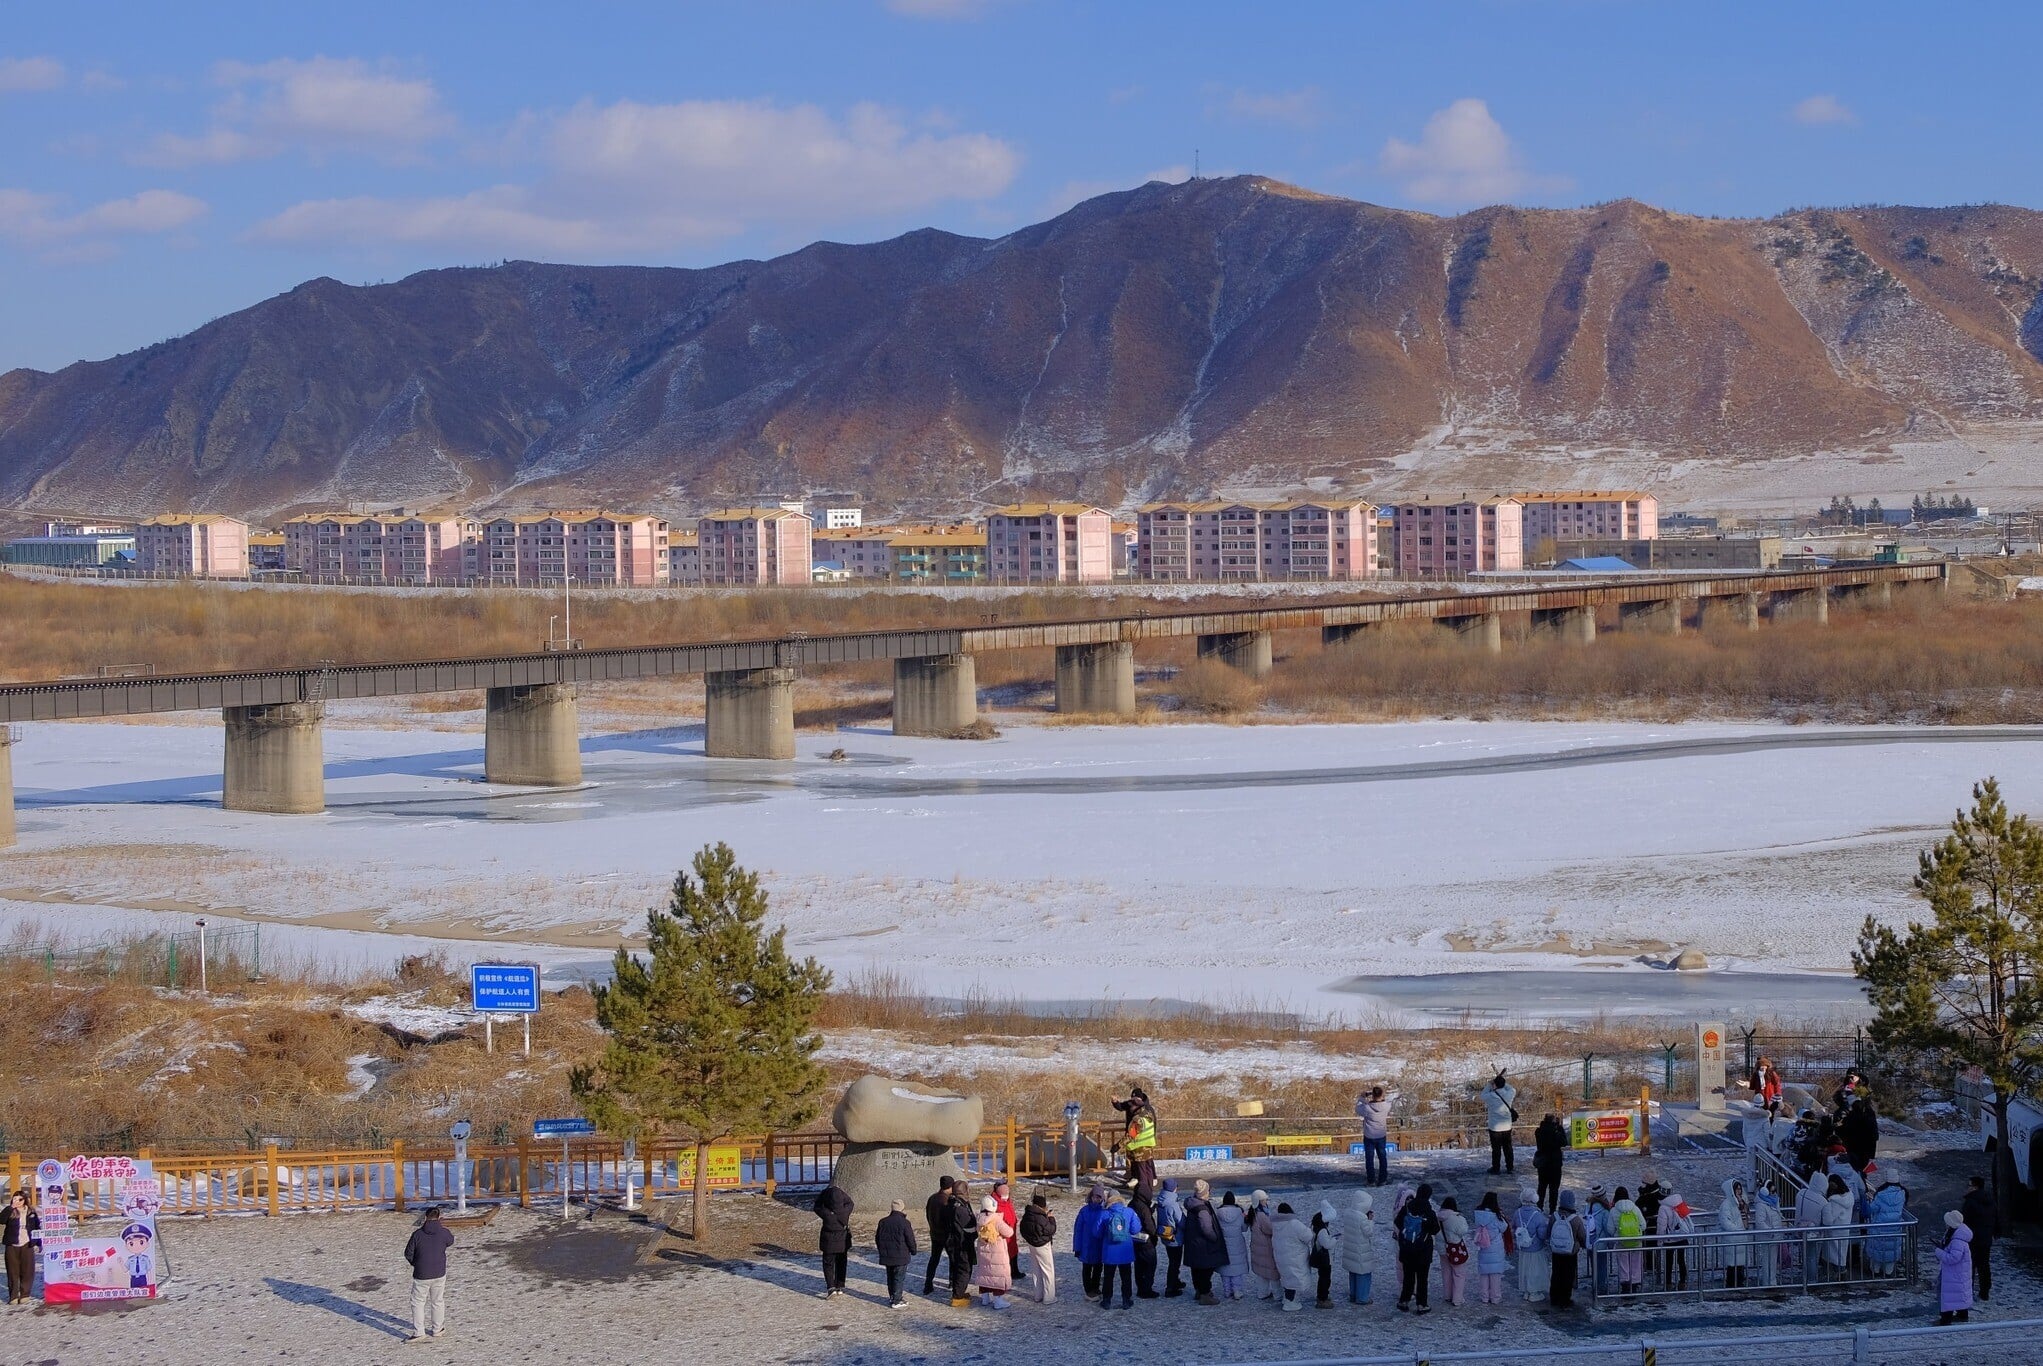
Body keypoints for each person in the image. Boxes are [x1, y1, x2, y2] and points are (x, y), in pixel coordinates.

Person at [402, 1205, 455, 1344]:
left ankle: (419, 1332)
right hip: (439, 1272)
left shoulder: (417, 1234)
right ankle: (438, 1329)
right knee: (437, 1301)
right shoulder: (444, 1233)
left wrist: (416, 1263)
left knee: (418, 1302)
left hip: (421, 1274)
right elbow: (450, 1241)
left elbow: (408, 1253)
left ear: (425, 1218)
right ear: (439, 1217)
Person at [1393, 1182, 1440, 1314]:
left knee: (1408, 1276)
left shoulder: (1407, 1207)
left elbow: (1397, 1222)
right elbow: (1435, 1229)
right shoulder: (1428, 1211)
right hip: (1423, 1250)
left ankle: (1404, 1301)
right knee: (1422, 1278)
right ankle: (1421, 1304)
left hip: (1407, 1248)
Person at [1180, 1179, 1227, 1305]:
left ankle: (1199, 1290)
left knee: (1196, 1268)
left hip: (1193, 1242)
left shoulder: (1192, 1203)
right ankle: (1205, 1293)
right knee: (1206, 1269)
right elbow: (1206, 1228)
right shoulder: (1202, 1209)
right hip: (1203, 1244)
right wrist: (1215, 1238)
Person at [1111, 1087, 1159, 1197]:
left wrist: (1118, 1145)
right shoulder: (1147, 1114)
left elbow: (1131, 1135)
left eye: (1132, 1107)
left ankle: (1143, 1193)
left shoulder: (1138, 1119)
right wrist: (1115, 1102)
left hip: (1139, 1149)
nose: (1130, 1109)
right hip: (1147, 1145)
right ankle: (1148, 1189)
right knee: (1147, 1170)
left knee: (1142, 1173)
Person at [1098, 1192, 1140, 1309]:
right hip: (1125, 1250)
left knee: (1108, 1276)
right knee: (1126, 1276)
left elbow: (1096, 1233)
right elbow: (1135, 1229)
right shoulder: (1129, 1212)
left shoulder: (1104, 1214)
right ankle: (1126, 1300)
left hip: (1109, 1250)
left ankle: (1106, 1300)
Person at [812, 1183, 855, 1298]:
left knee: (828, 1264)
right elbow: (850, 1202)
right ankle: (840, 1285)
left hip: (828, 1242)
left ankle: (831, 1286)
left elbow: (817, 1205)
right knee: (842, 1263)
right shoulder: (845, 1211)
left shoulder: (825, 1213)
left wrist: (825, 1193)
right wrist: (840, 1191)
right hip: (842, 1241)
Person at [972, 1194, 1014, 1309]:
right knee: (997, 1274)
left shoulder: (979, 1219)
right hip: (997, 1252)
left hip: (983, 1250)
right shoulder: (996, 1220)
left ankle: (985, 1298)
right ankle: (998, 1300)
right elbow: (1009, 1232)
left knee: (985, 1273)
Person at [876, 1199, 919, 1309]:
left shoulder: (883, 1222)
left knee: (890, 1277)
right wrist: (913, 1250)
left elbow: (878, 1238)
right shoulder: (905, 1223)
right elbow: (910, 1239)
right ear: (902, 1209)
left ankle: (892, 1296)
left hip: (887, 1255)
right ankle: (897, 1300)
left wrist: (882, 1250)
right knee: (898, 1278)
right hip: (901, 1255)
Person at [1272, 1201, 1313, 1312]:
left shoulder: (1275, 1224)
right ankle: (1291, 1302)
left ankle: (1287, 1298)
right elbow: (1308, 1236)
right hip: (1295, 1257)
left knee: (1287, 1278)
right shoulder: (1294, 1223)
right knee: (1295, 1279)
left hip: (1282, 1258)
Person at [1961, 1175, 1996, 1303]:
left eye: (1969, 1185)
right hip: (1986, 1238)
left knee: (1970, 1265)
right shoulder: (1990, 1200)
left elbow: (1964, 1221)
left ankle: (1967, 1291)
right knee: (1984, 1265)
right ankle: (1984, 1292)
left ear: (1975, 1187)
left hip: (1972, 1239)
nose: (1967, 1187)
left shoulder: (1970, 1202)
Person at [1470, 1191, 1509, 1305]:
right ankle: (1495, 1297)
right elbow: (1504, 1227)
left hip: (1483, 1248)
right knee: (1495, 1275)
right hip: (1495, 1249)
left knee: (1484, 1274)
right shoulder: (1496, 1216)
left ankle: (1484, 1297)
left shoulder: (1478, 1215)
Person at [1936, 1209, 1974, 1324]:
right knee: (1959, 1295)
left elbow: (1953, 1258)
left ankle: (1945, 1319)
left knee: (1949, 1296)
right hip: (1958, 1273)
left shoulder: (1957, 1240)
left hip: (1953, 1274)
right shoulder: (1959, 1235)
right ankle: (1962, 1315)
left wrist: (1939, 1252)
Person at [1020, 1192, 1058, 1303]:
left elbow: (1022, 1229)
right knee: (1047, 1271)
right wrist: (1051, 1218)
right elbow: (1050, 1230)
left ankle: (1038, 1295)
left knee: (1036, 1270)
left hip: (1032, 1245)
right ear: (1043, 1206)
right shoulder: (1040, 1217)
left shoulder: (1027, 1214)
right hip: (1042, 1245)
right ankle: (1049, 1297)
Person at [1514, 1189, 1552, 1302]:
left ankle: (1526, 1291)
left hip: (1523, 1248)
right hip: (1535, 1248)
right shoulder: (1538, 1215)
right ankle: (1534, 1292)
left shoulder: (1517, 1212)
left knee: (1524, 1270)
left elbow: (1514, 1227)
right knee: (1535, 1271)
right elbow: (1542, 1234)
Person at [946, 1180, 979, 1307]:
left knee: (957, 1268)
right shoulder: (960, 1208)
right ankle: (958, 1297)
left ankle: (958, 1292)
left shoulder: (951, 1203)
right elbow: (969, 1227)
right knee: (964, 1269)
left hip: (953, 1242)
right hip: (962, 1244)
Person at [2, 1190, 39, 1304]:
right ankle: (13, 1296)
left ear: (25, 1200)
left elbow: (37, 1227)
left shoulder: (31, 1212)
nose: (17, 1201)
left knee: (27, 1270)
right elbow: (1, 1220)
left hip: (27, 1243)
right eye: (15, 1199)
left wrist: (38, 1242)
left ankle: (24, 1294)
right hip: (12, 1244)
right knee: (12, 1271)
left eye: (20, 1199)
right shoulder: (10, 1211)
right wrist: (11, 1208)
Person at [1072, 1183, 1108, 1300]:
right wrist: (1077, 1247)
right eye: (1094, 1197)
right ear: (1090, 1197)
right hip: (1086, 1246)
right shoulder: (1084, 1211)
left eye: (1099, 1197)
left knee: (1098, 1268)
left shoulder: (1104, 1211)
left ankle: (1095, 1287)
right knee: (1087, 1269)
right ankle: (1088, 1290)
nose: (1096, 1199)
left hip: (1098, 1246)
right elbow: (1078, 1230)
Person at [1549, 1190, 1584, 1309]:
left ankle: (1554, 1297)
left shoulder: (1554, 1216)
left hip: (1556, 1251)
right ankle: (1565, 1299)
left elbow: (1549, 1232)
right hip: (1570, 1252)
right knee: (1568, 1275)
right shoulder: (1576, 1219)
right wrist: (1581, 1244)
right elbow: (1582, 1236)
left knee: (1556, 1273)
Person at [1865, 1181, 1908, 1276]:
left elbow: (1872, 1209)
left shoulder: (1880, 1195)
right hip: (1895, 1228)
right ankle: (1888, 1272)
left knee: (1877, 1251)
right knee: (1891, 1252)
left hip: (1879, 1228)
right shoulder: (1902, 1194)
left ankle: (1875, 1271)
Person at [1343, 1188, 1377, 1305]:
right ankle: (1362, 1297)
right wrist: (1370, 1221)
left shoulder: (1348, 1213)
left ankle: (1353, 1294)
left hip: (1350, 1250)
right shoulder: (1362, 1218)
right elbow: (1368, 1233)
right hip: (1361, 1251)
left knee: (1353, 1273)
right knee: (1363, 1274)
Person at [1356, 1086, 1395, 1186]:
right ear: (1382, 1095)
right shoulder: (1386, 1106)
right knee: (1382, 1157)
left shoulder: (1367, 1108)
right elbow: (1387, 1100)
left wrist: (1362, 1098)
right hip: (1381, 1135)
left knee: (1369, 1158)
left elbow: (1358, 1109)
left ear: (1372, 1095)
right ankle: (1382, 1180)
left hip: (1369, 1136)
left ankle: (1371, 1180)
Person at [1609, 1187, 1645, 1295]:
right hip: (1636, 1241)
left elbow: (1610, 1229)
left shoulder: (1613, 1211)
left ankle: (1625, 1286)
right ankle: (1634, 1285)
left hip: (1622, 1241)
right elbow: (1643, 1225)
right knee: (1636, 1262)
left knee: (1623, 1263)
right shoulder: (1635, 1208)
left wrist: (1617, 1233)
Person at [1436, 1195, 1471, 1307]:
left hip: (1442, 1249)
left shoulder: (1438, 1217)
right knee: (1459, 1274)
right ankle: (1457, 1299)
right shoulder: (1456, 1218)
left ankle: (1448, 1295)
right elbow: (1463, 1231)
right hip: (1454, 1249)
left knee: (1446, 1272)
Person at [1750, 1177, 1784, 1289]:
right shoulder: (1761, 1205)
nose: (1774, 1193)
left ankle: (1772, 1282)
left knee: (1773, 1261)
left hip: (1775, 1236)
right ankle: (1767, 1282)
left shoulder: (1774, 1201)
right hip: (1767, 1237)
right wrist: (1771, 1231)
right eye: (1772, 1191)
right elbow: (1760, 1222)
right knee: (1767, 1261)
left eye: (1774, 1191)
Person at [923, 1175, 955, 1296]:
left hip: (935, 1233)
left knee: (934, 1259)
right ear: (950, 1187)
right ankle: (952, 1281)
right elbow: (950, 1219)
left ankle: (928, 1283)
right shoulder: (947, 1201)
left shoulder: (932, 1198)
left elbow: (927, 1214)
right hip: (946, 1235)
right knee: (953, 1259)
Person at [1819, 1175, 1856, 1278]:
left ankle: (1834, 1276)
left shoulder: (1834, 1201)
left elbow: (1830, 1219)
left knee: (1832, 1255)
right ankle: (1842, 1273)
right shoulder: (1849, 1196)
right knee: (1841, 1254)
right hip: (1844, 1229)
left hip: (1833, 1231)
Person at [1654, 1190, 1691, 1291]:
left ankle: (1668, 1284)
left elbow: (1661, 1226)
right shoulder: (1679, 1202)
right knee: (1681, 1260)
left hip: (1669, 1239)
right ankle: (1683, 1282)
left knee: (1668, 1262)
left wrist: (1659, 1240)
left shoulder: (1663, 1207)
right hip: (1682, 1236)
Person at [1483, 1071, 1519, 1176]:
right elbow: (1512, 1089)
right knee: (1508, 1148)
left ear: (1495, 1085)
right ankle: (1510, 1167)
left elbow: (1482, 1095)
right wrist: (1502, 1082)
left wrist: (1489, 1084)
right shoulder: (1509, 1094)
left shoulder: (1490, 1096)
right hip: (1507, 1126)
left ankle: (1496, 1168)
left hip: (1494, 1127)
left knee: (1496, 1149)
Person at [1156, 1178, 1187, 1297]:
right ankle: (1170, 1288)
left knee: (1172, 1261)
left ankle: (1175, 1281)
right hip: (1175, 1237)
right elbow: (1181, 1221)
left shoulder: (1161, 1200)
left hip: (1165, 1235)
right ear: (1174, 1188)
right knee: (1175, 1263)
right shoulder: (1172, 1203)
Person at [1217, 1190, 1250, 1301]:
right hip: (1237, 1243)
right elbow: (1244, 1228)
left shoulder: (1218, 1213)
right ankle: (1237, 1291)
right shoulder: (1239, 1212)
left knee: (1225, 1268)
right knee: (1236, 1269)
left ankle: (1227, 1291)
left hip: (1223, 1244)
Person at [1718, 1178, 1749, 1289]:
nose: (1739, 1191)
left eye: (1740, 1189)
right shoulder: (1726, 1204)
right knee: (1732, 1264)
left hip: (1741, 1237)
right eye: (1737, 1189)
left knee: (1740, 1263)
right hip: (1733, 1238)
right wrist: (1736, 1230)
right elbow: (1725, 1221)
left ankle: (1740, 1282)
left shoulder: (1741, 1203)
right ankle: (1731, 1284)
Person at [1248, 1190, 1279, 1300]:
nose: (1266, 1202)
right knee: (1273, 1272)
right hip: (1266, 1248)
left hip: (1257, 1247)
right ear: (1259, 1201)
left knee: (1261, 1273)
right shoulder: (1262, 1215)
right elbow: (1269, 1229)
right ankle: (1278, 1295)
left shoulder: (1253, 1213)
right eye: (1264, 1200)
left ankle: (1262, 1293)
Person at [1130, 1189, 1161, 1298]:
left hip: (1135, 1239)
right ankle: (1147, 1290)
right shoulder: (1144, 1207)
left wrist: (1150, 1210)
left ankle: (1140, 1288)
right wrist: (1155, 1235)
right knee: (1150, 1265)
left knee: (1139, 1265)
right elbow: (1148, 1225)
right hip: (1146, 1241)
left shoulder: (1132, 1203)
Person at [1533, 1113, 1566, 1214]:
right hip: (1555, 1164)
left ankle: (1539, 1206)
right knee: (1554, 1189)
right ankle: (1552, 1210)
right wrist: (1559, 1127)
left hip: (1542, 1163)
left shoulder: (1539, 1131)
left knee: (1541, 1187)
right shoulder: (1556, 1131)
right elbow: (1564, 1142)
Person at [1311, 1200, 1341, 1308]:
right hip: (1325, 1259)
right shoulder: (1322, 1231)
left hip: (1321, 1259)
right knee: (1325, 1279)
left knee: (1323, 1278)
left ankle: (1322, 1296)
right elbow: (1327, 1245)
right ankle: (1322, 1299)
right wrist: (1335, 1239)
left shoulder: (1317, 1229)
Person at [992, 1179, 1022, 1283]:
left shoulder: (1007, 1201)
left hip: (1011, 1231)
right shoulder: (995, 1204)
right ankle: (1008, 1273)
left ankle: (1015, 1271)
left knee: (1013, 1250)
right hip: (1003, 1234)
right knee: (1005, 1254)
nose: (1006, 1196)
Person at [1841, 1098, 1880, 1174]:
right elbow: (1874, 1134)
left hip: (1853, 1147)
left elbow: (1844, 1131)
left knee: (1854, 1165)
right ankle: (1862, 1176)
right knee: (1862, 1166)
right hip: (1865, 1148)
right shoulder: (1869, 1117)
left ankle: (1859, 1175)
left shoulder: (1851, 1117)